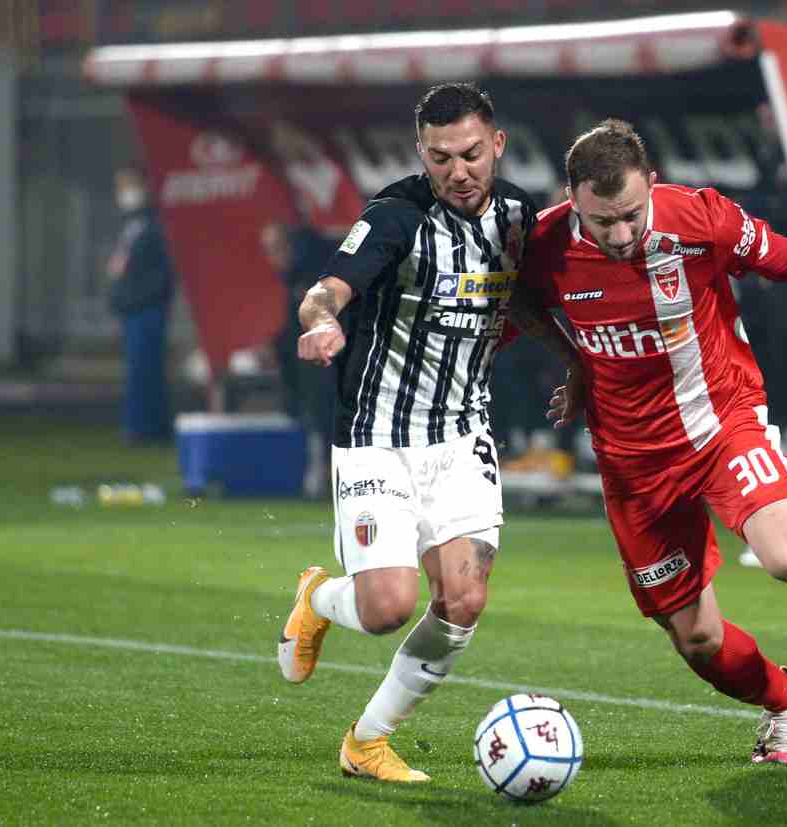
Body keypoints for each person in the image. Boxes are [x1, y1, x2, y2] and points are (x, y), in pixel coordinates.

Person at [507, 119, 787, 767]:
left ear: (651, 184)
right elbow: (519, 301)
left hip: (721, 423)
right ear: (572, 200)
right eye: (603, 222)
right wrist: (574, 361)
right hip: (633, 467)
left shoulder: (697, 218)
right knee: (698, 640)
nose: (621, 235)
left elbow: (775, 253)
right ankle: (784, 700)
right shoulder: (542, 243)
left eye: (630, 215)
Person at [276, 83, 538, 783]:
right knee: (387, 608)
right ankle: (319, 597)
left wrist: (574, 363)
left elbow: (525, 302)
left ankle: (367, 741)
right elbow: (325, 291)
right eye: (440, 157)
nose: (458, 171)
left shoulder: (520, 217)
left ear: (497, 145)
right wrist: (321, 322)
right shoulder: (395, 217)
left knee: (464, 601)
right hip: (378, 435)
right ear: (422, 153)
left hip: (462, 434)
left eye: (471, 154)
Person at [261, 221, 337, 496]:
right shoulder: (295, 280)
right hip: (315, 368)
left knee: (325, 423)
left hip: (328, 368)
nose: (271, 258)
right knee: (318, 424)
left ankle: (324, 484)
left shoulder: (313, 279)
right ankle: (320, 482)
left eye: (274, 249)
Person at [106, 165, 175, 443]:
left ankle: (148, 427)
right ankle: (140, 424)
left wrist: (141, 299)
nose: (123, 192)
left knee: (146, 369)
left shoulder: (156, 224)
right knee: (137, 369)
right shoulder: (130, 225)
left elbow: (162, 271)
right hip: (132, 308)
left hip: (147, 307)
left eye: (128, 185)